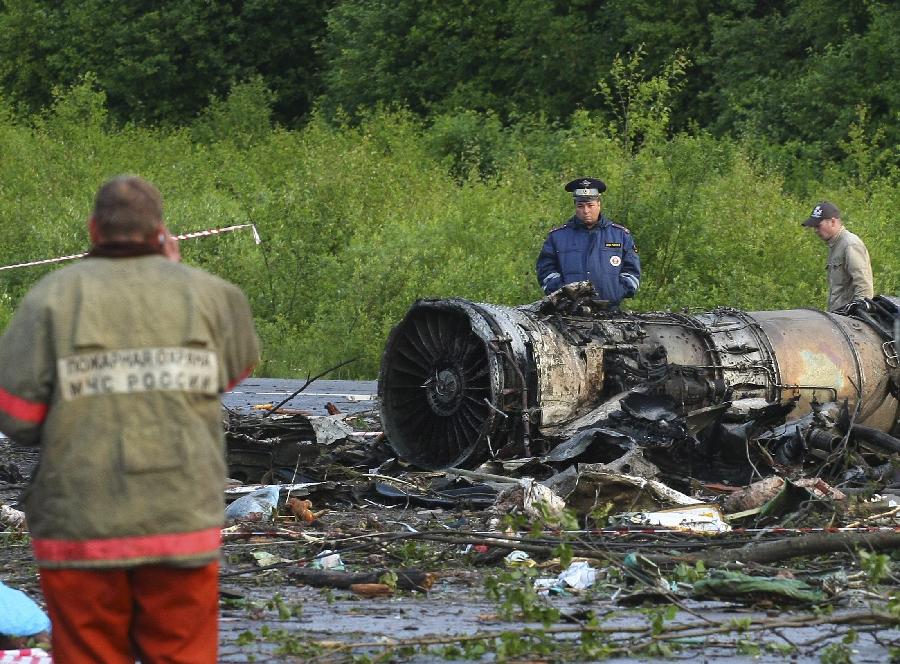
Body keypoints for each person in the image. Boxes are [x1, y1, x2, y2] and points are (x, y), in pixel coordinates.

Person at [0, 175, 260, 663]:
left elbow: (16, 417)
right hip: (180, 519)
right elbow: (232, 374)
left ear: (94, 229)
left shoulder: (50, 300)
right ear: (161, 232)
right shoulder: (215, 296)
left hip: (80, 524)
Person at [536, 177, 641, 307]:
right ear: (575, 206)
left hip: (610, 311)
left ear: (598, 204)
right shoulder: (557, 237)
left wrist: (617, 291)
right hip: (567, 313)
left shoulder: (620, 235)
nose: (586, 211)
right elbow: (545, 270)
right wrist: (561, 291)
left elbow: (632, 271)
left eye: (590, 205)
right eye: (581, 206)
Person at [801, 201, 874, 311]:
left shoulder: (850, 244)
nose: (815, 230)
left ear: (833, 222)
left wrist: (858, 311)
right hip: (839, 317)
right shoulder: (835, 245)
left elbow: (864, 288)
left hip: (850, 321)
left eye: (818, 226)